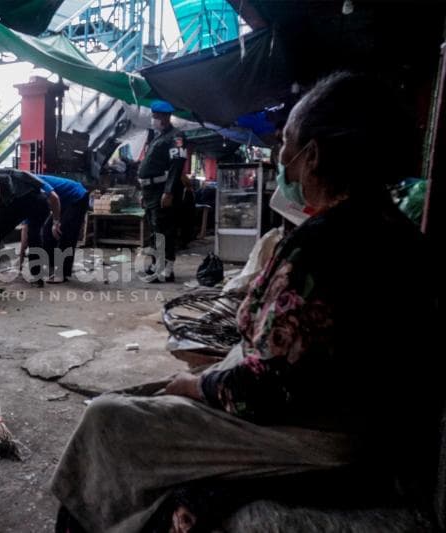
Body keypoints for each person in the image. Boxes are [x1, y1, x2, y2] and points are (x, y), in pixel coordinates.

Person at [51, 72, 440, 532]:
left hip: (322, 434)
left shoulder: (324, 246)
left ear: (312, 156)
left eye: (288, 144)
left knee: (108, 418)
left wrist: (196, 385)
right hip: (345, 417)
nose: (283, 161)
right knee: (142, 397)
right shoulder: (397, 231)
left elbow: (264, 390)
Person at [0, 169, 61, 298]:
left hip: (24, 200)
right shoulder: (6, 181)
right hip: (41, 202)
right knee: (34, 235)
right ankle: (37, 277)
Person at [138, 100, 189, 281]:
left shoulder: (176, 136)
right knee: (154, 229)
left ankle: (167, 268)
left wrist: (168, 192)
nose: (154, 120)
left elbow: (177, 166)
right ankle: (156, 264)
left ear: (165, 117)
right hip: (150, 190)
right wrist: (142, 192)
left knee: (164, 229)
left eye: (156, 117)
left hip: (162, 189)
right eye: (153, 116)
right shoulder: (158, 137)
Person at [18, 174, 89, 282]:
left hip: (77, 197)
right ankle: (52, 268)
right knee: (47, 232)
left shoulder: (34, 183)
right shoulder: (25, 198)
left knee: (64, 233)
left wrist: (56, 222)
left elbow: (54, 198)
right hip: (63, 201)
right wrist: (21, 260)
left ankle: (62, 274)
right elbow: (25, 230)